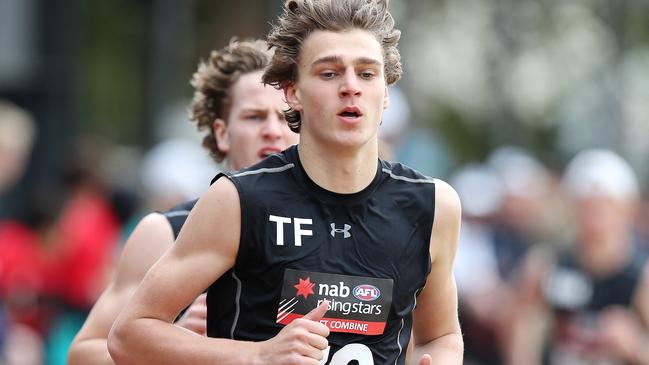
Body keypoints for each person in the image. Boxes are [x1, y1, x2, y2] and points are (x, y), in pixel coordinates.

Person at [108, 0, 463, 364]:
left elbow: (441, 335)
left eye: (368, 74)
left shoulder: (433, 205)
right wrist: (260, 355)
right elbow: (128, 335)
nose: (351, 87)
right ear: (292, 93)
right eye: (329, 73)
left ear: (385, 93)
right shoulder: (238, 199)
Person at [67, 38, 299, 365]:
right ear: (221, 132)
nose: (273, 131)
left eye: (286, 117)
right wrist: (171, 340)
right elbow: (82, 354)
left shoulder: (332, 225)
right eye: (254, 117)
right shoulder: (164, 231)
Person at [506, 149, 649, 365]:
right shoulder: (546, 264)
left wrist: (634, 344)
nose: (595, 218)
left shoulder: (641, 277)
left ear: (625, 210)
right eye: (587, 206)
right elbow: (522, 331)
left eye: (605, 207)